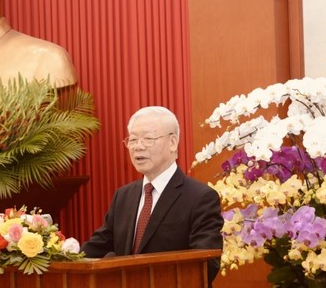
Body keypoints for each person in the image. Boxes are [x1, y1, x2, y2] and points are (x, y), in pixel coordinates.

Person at [81, 106, 224, 286]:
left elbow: (206, 265)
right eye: (132, 140)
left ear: (172, 142)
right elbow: (98, 247)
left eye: (148, 139)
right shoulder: (123, 196)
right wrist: (58, 254)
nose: (138, 147)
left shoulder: (201, 198)